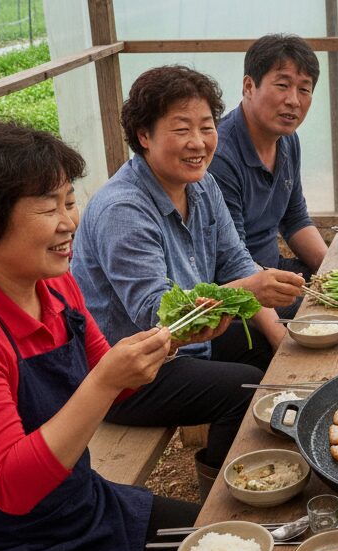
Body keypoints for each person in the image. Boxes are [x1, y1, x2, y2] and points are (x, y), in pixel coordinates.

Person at [0, 120, 196, 551]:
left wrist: (167, 345)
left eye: (69, 200)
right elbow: (12, 487)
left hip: (80, 508)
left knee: (228, 547)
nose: (70, 222)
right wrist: (105, 381)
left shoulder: (54, 286)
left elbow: (118, 386)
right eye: (49, 207)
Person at [72, 64, 304, 480]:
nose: (198, 142)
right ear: (144, 136)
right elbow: (158, 316)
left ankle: (271, 457)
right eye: (182, 129)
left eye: (206, 127)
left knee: (274, 335)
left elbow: (237, 262)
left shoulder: (200, 184)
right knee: (242, 387)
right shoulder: (123, 209)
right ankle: (220, 493)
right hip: (130, 371)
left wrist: (278, 336)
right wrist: (247, 290)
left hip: (190, 344)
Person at [208, 34, 327, 315]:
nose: (293, 101)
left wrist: (333, 273)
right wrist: (279, 334)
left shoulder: (287, 140)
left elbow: (295, 219)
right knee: (322, 315)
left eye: (304, 89)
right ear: (249, 86)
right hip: (236, 292)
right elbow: (233, 261)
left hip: (273, 269)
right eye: (283, 85)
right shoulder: (220, 155)